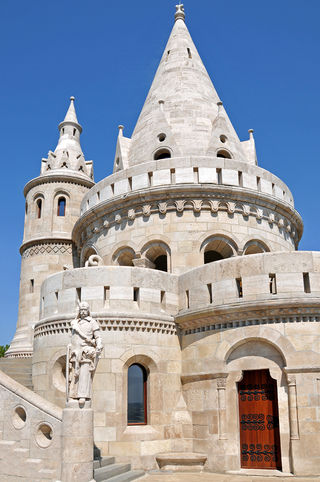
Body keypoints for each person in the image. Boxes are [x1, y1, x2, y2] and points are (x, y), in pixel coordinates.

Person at [68, 301, 103, 406]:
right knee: (74, 374)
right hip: (75, 351)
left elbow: (97, 336)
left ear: (88, 311)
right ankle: (73, 394)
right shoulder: (76, 322)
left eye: (85, 310)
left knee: (84, 373)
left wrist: (99, 345)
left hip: (86, 351)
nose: (83, 312)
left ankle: (83, 395)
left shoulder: (92, 322)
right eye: (81, 310)